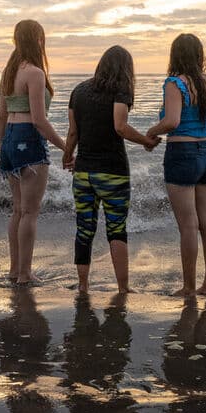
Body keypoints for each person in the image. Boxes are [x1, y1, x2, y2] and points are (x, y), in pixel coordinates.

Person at [61, 46, 158, 294]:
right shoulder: (121, 90)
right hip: (113, 171)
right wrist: (147, 141)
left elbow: (73, 132)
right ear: (126, 69)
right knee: (116, 228)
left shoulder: (78, 91)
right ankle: (123, 288)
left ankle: (83, 285)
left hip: (83, 172)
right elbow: (120, 126)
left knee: (84, 227)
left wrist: (68, 154)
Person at [145, 33, 206, 297]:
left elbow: (172, 121)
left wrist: (151, 133)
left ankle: (189, 287)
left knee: (188, 225)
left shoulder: (175, 83)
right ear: (199, 55)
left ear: (175, 55)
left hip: (182, 152)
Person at [0, 19, 66, 285]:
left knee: (17, 210)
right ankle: (26, 273)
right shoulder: (35, 73)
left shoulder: (8, 72)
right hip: (29, 138)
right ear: (38, 40)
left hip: (11, 140)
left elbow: (1, 117)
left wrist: (2, 148)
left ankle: (15, 270)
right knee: (30, 212)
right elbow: (39, 120)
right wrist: (66, 146)